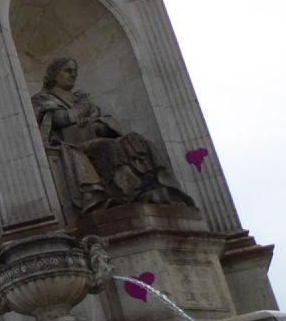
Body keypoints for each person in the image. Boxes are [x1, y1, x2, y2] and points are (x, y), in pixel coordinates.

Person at [32, 55, 193, 210]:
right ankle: (131, 193)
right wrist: (85, 106)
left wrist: (97, 123)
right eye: (68, 71)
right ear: (54, 74)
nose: (73, 75)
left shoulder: (79, 99)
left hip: (93, 139)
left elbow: (104, 119)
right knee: (108, 146)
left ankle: (160, 186)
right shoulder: (43, 99)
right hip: (70, 145)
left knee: (137, 140)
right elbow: (64, 119)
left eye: (75, 71)